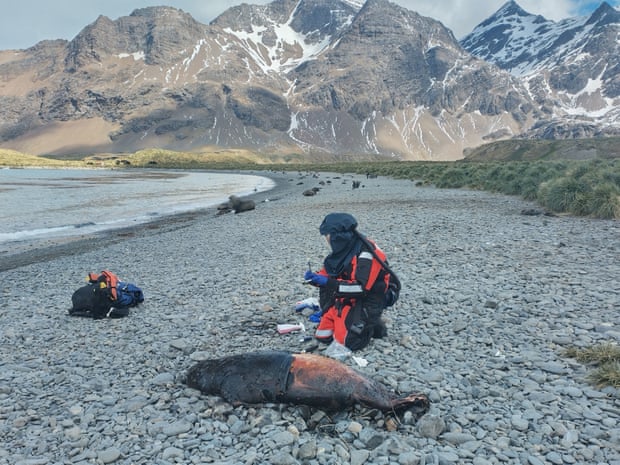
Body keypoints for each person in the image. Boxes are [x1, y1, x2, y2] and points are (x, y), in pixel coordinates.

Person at [304, 212, 400, 351]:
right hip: (348, 294)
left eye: (328, 236)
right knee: (323, 336)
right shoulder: (344, 249)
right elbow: (329, 272)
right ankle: (350, 316)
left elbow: (361, 288)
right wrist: (314, 278)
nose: (327, 240)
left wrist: (328, 283)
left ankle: (372, 325)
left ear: (338, 237)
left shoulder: (366, 254)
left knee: (348, 342)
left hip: (371, 297)